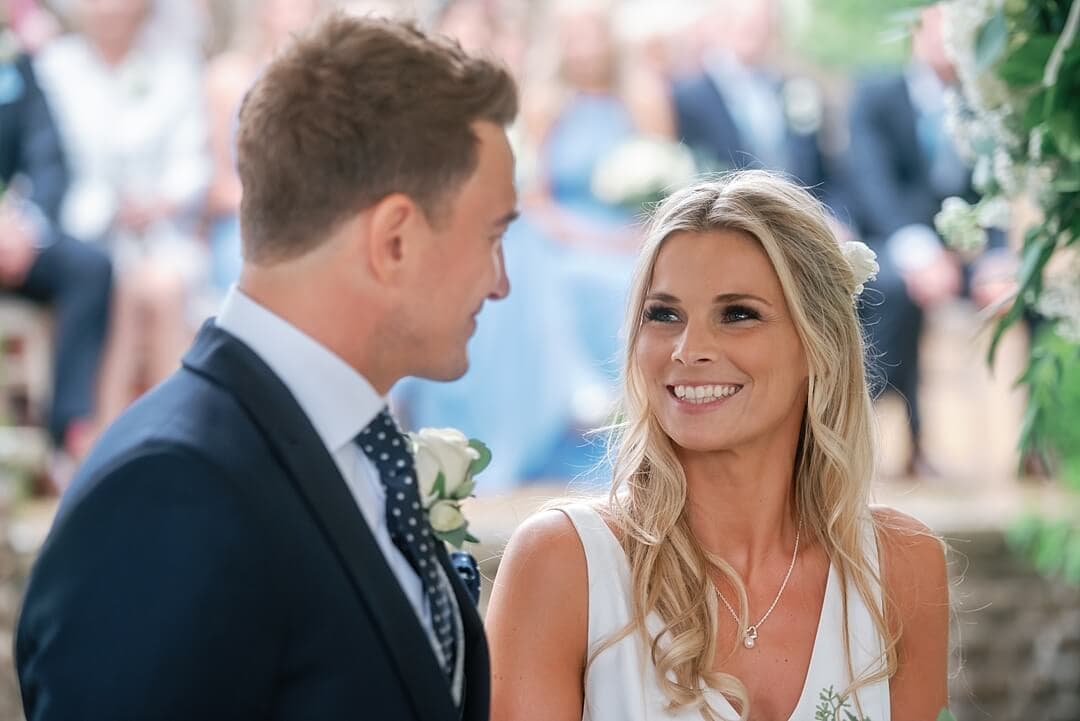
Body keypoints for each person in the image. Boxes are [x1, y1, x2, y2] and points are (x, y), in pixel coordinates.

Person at [16, 13, 518, 720]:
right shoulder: (167, 494)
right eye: (493, 235)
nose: (502, 282)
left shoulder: (358, 445)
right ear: (395, 239)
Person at [486, 171, 949, 721]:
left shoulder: (902, 568)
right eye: (664, 315)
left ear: (818, 345)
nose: (688, 349)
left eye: (737, 315)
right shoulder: (564, 564)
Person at [33, 0, 211, 424]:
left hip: (162, 231)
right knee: (126, 285)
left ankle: (159, 431)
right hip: (82, 231)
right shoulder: (54, 67)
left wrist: (158, 203)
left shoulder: (174, 66)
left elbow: (193, 162)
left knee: (161, 285)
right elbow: (48, 162)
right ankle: (118, 433)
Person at [0, 29, 111, 471]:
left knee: (91, 268)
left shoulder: (14, 59)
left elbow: (46, 153)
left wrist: (25, 224)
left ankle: (67, 431)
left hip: (17, 236)